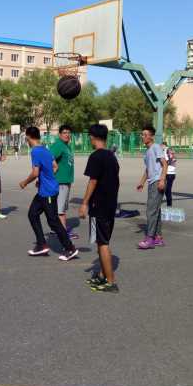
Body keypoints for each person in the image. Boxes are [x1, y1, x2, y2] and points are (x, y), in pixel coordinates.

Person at [19, 126, 79, 261]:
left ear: (28, 137)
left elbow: (35, 172)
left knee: (53, 221)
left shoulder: (35, 151)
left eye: (26, 138)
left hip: (48, 192)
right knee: (32, 214)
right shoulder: (45, 149)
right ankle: (41, 244)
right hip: (45, 190)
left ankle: (70, 248)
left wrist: (25, 182)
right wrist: (45, 178)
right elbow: (55, 166)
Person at [79, 124, 120, 293]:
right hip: (110, 205)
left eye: (89, 136)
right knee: (103, 241)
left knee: (102, 243)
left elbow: (93, 181)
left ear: (93, 137)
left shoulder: (96, 156)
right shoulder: (112, 156)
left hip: (99, 206)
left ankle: (111, 282)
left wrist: (84, 203)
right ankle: (103, 275)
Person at [136, 125, 167, 250]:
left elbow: (165, 164)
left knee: (150, 211)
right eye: (142, 134)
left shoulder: (155, 147)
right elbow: (148, 169)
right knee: (156, 211)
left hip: (157, 182)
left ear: (151, 136)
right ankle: (158, 238)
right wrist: (142, 182)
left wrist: (162, 180)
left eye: (145, 135)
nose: (143, 137)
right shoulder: (147, 152)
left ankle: (150, 239)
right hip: (151, 182)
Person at [49, 124, 76, 239]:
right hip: (60, 182)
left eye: (68, 132)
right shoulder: (58, 145)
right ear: (59, 134)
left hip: (66, 182)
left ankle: (59, 228)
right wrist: (54, 167)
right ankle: (63, 232)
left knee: (62, 208)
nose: (67, 134)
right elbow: (49, 158)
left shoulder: (66, 146)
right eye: (64, 132)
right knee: (60, 209)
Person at [161, 141, 177, 207]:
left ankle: (169, 206)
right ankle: (169, 205)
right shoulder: (171, 150)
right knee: (168, 190)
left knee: (166, 190)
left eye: (161, 146)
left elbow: (167, 161)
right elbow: (174, 160)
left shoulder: (165, 150)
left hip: (168, 173)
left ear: (163, 145)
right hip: (172, 173)